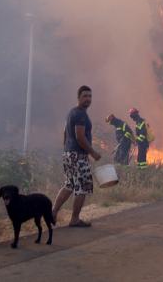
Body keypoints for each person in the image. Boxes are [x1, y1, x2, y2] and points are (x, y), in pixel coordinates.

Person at [52, 85, 101, 228]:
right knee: (83, 187)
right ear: (78, 97)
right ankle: (74, 219)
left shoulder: (72, 112)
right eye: (85, 96)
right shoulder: (80, 114)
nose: (88, 99)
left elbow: (65, 132)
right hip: (78, 155)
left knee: (69, 184)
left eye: (90, 96)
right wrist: (92, 152)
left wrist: (67, 148)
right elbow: (80, 137)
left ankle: (53, 211)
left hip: (69, 154)